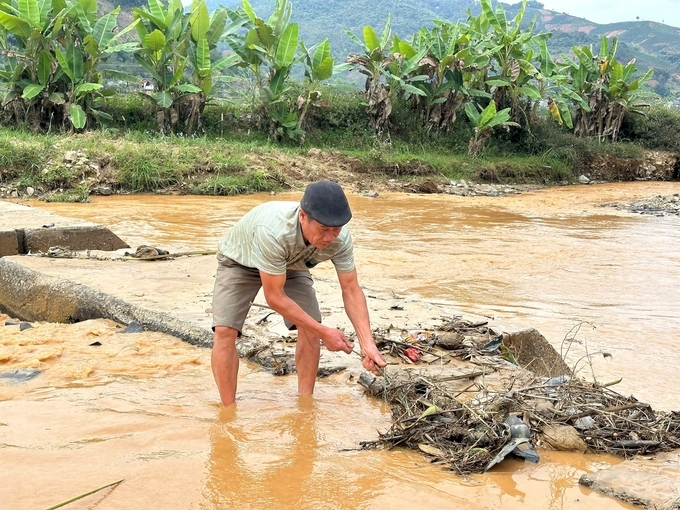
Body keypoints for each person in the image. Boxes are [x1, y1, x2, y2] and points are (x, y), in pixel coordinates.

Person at [211, 180, 387, 406]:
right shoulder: (274, 231)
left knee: (310, 326)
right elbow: (274, 297)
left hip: (290, 265)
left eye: (336, 229)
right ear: (303, 216)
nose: (330, 238)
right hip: (240, 262)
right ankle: (228, 411)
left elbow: (351, 289)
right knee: (225, 330)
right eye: (323, 229)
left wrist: (367, 343)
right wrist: (326, 332)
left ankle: (305, 404)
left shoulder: (339, 239)